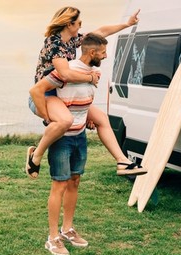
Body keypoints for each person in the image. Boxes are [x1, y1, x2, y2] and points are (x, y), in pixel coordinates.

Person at [26, 6, 146, 179]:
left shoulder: (72, 40)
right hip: (45, 95)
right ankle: (35, 155)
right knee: (66, 120)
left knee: (101, 119)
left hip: (61, 95)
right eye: (79, 22)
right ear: (69, 24)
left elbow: (100, 32)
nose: (81, 25)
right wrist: (89, 78)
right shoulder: (54, 43)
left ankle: (122, 162)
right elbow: (65, 74)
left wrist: (127, 24)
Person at [41, 33, 110, 255]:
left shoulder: (93, 73)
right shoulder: (65, 71)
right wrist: (49, 118)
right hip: (62, 138)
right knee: (58, 185)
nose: (105, 55)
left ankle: (67, 229)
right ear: (92, 53)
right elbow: (40, 91)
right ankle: (52, 238)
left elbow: (81, 102)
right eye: (103, 52)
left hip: (79, 136)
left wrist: (86, 117)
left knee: (75, 181)